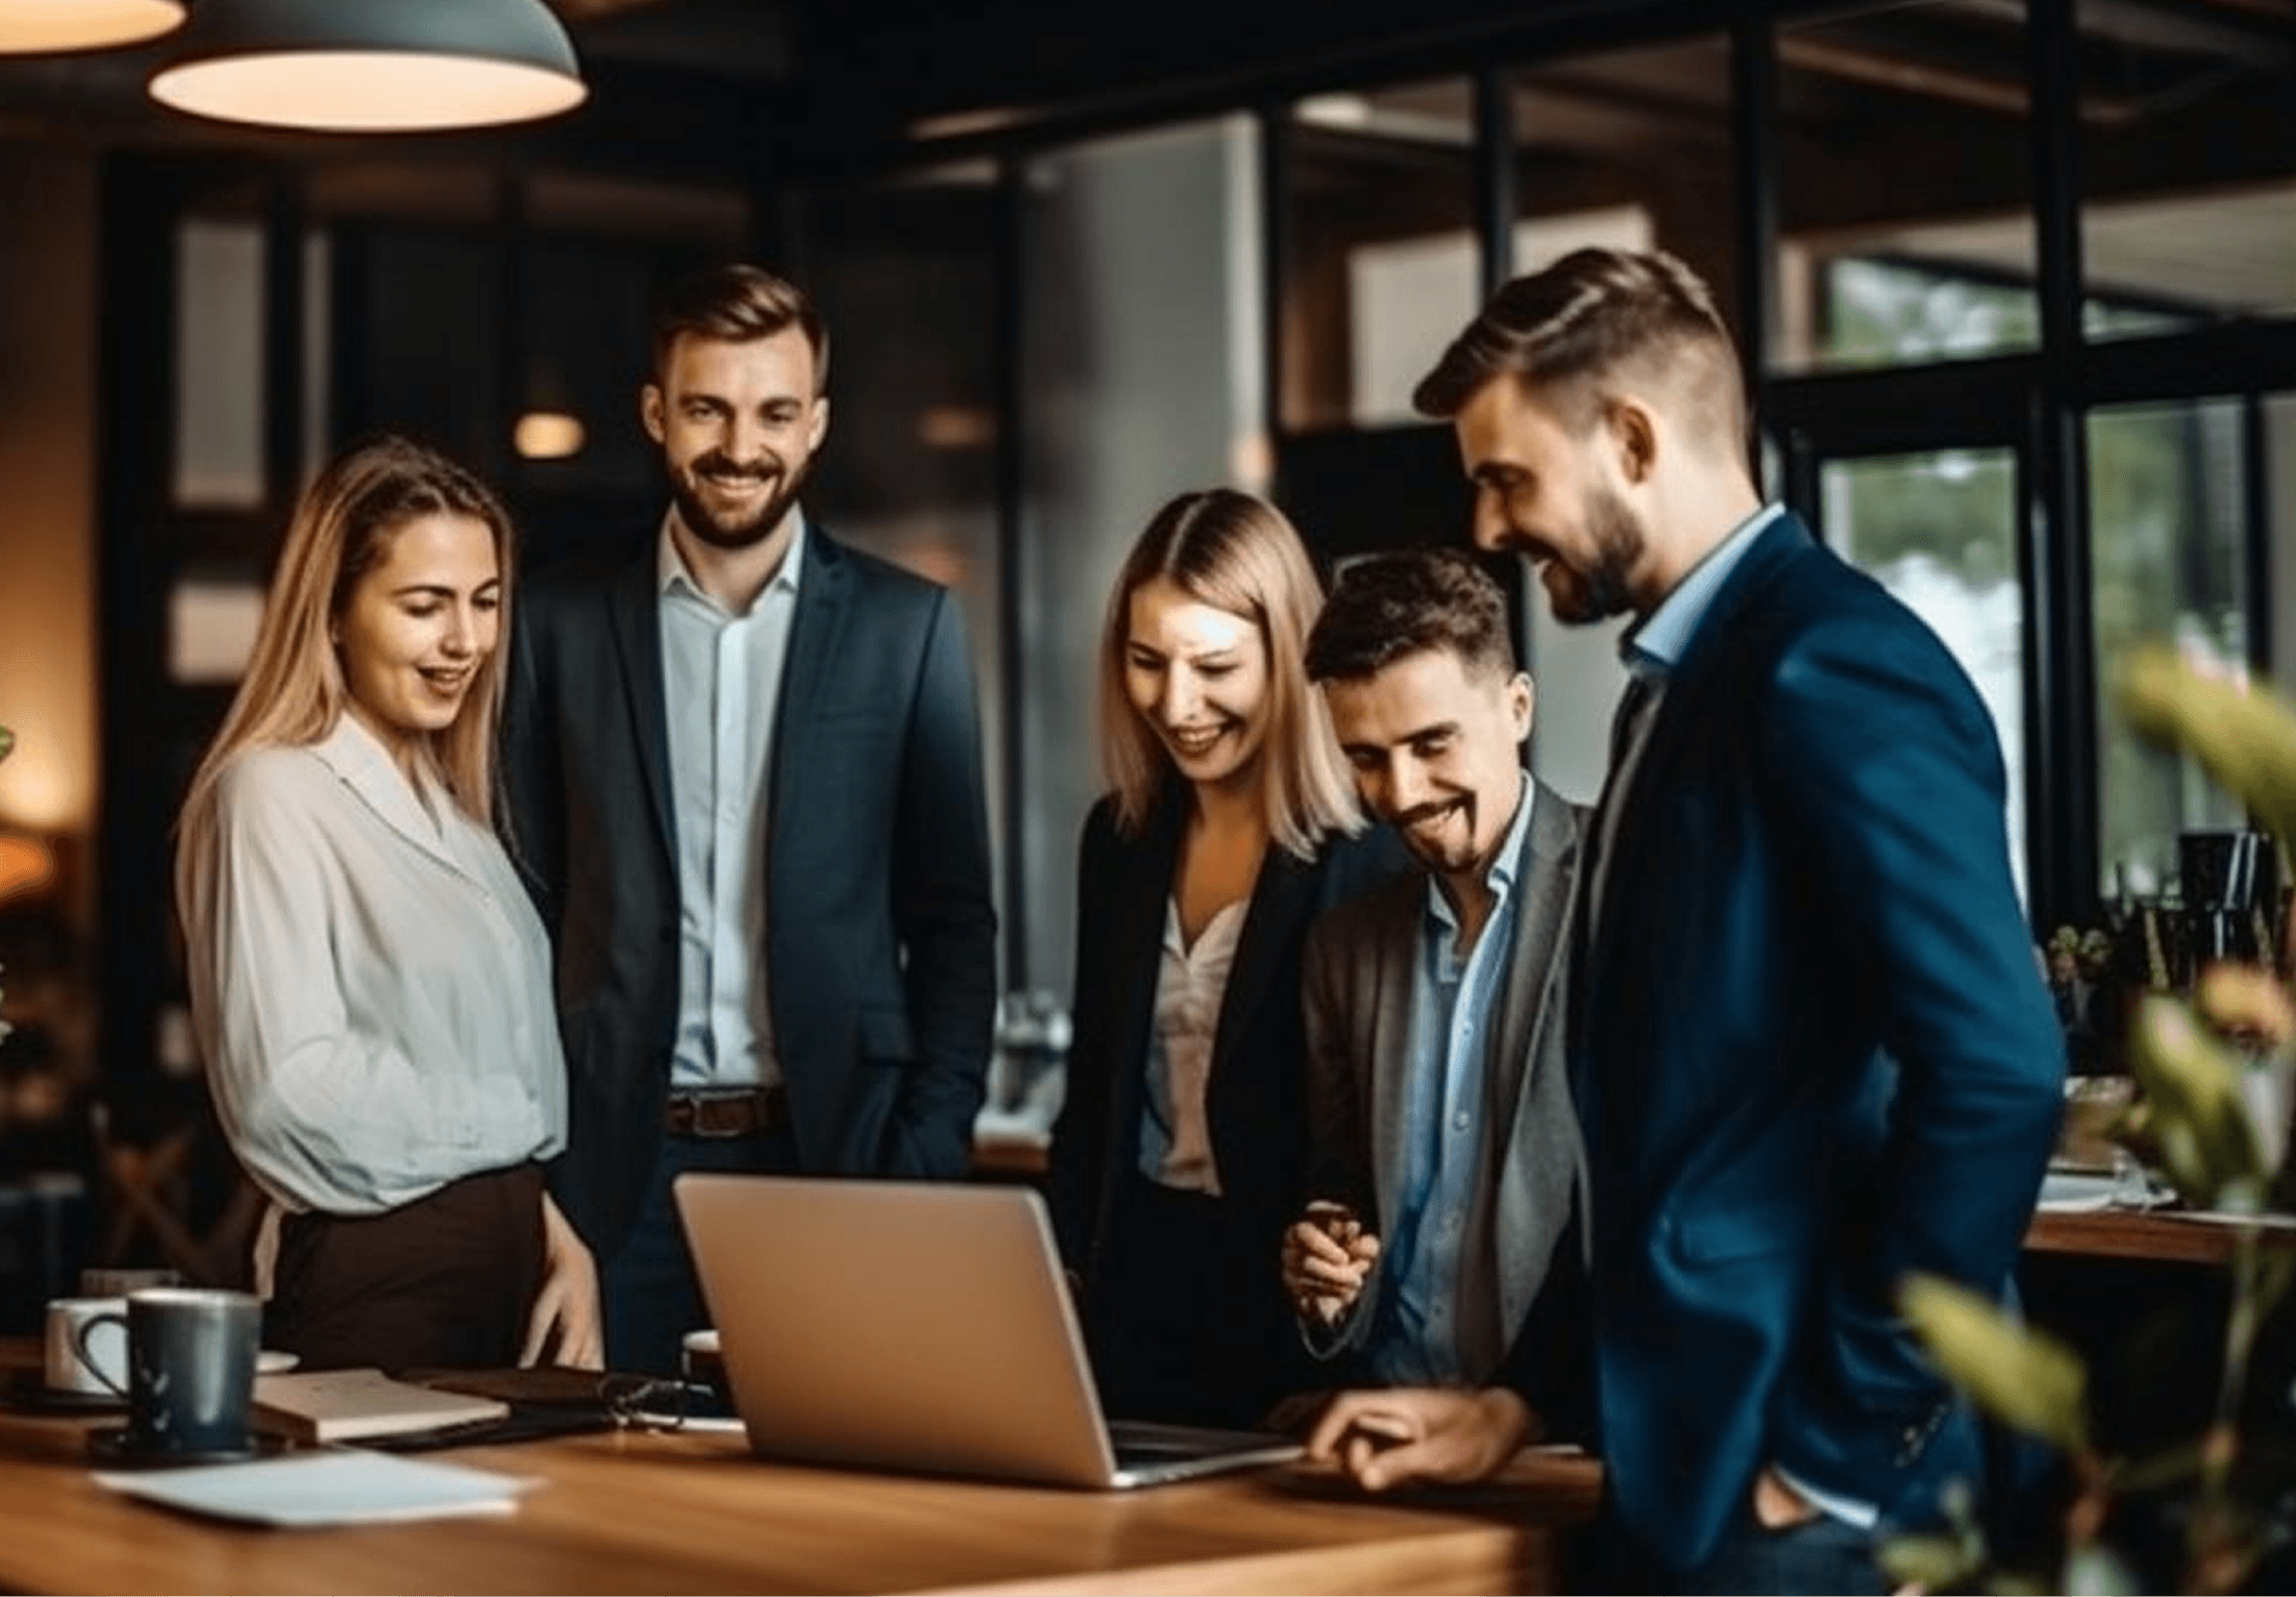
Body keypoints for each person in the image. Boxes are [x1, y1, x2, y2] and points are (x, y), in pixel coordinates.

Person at [1305, 246, 2065, 1594]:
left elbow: (1997, 1072)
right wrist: (1515, 1404)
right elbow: (1673, 1147)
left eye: (1505, 476)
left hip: (1806, 1498)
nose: (1486, 527)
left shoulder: (1832, 665)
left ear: (1632, 438)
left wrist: (1832, 1447)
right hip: (1684, 1469)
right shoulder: (1672, 687)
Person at [502, 263, 998, 1377]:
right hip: (610, 1192)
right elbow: (516, 915)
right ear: (654, 414)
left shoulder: (906, 628)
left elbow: (957, 923)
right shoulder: (556, 625)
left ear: (816, 423)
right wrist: (542, 1184)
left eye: (775, 411)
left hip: (841, 1166)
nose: (741, 444)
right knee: (605, 1515)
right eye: (707, 408)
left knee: (828, 1514)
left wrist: (921, 1161)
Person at [176, 432, 602, 1373]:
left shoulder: (462, 817)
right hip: (379, 1285)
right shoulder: (269, 792)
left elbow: (458, 1061)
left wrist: (554, 1236)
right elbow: (289, 1094)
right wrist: (518, 1123)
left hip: (516, 1283)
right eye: (425, 606)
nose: (466, 642)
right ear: (332, 614)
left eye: (486, 602)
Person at [1044, 487, 1402, 1429]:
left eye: (1215, 666)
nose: (1177, 702)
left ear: (1286, 660)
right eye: (1147, 662)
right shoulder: (1117, 842)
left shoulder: (1367, 854)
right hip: (1134, 1299)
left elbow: (1388, 1129)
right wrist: (1063, 1270)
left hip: (1293, 1316)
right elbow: (1093, 1095)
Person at [1280, 548, 1592, 1439]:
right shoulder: (1343, 948)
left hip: (1561, 1435)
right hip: (1385, 1419)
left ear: (1518, 707)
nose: (1402, 793)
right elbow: (1340, 1187)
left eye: (1432, 744)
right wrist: (1325, 1271)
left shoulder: (1624, 887)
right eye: (1366, 759)